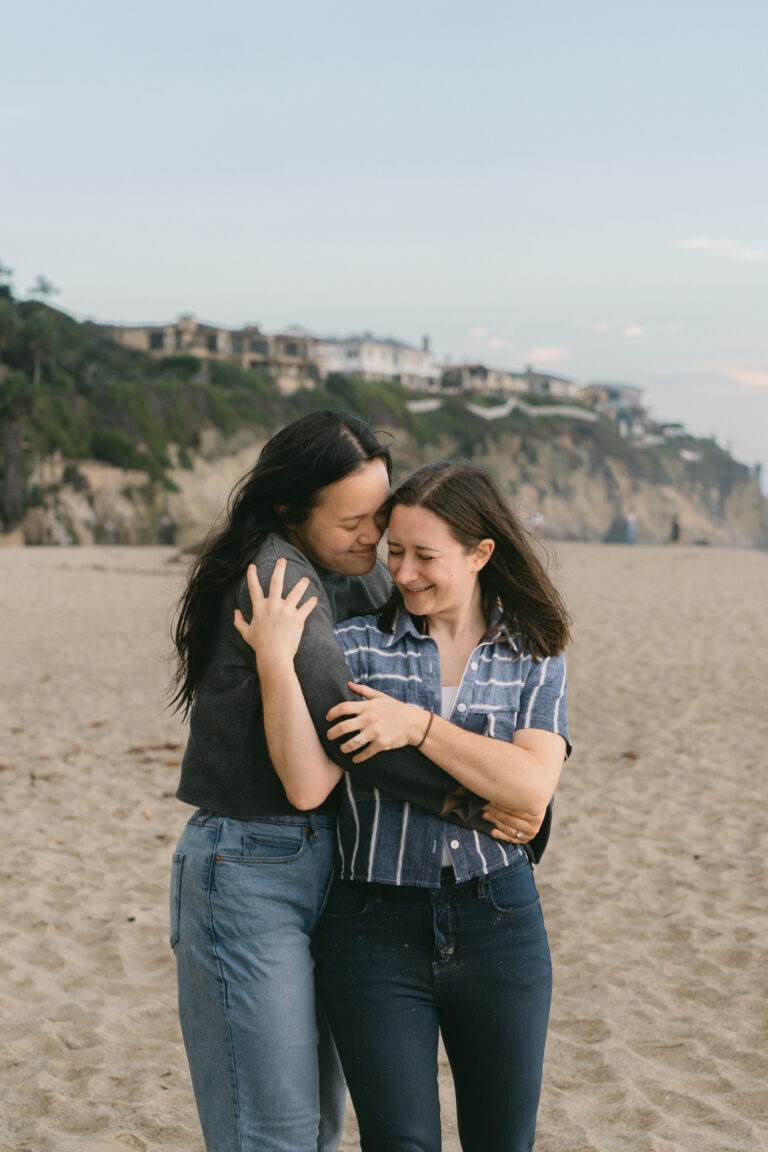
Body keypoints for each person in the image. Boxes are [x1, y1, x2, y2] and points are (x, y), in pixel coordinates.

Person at [170, 414, 531, 1152]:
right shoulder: (277, 578)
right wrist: (479, 803)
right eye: (355, 523)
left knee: (321, 1127)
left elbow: (420, 645)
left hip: (328, 867)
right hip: (249, 866)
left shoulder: (351, 566)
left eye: (380, 518)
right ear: (289, 509)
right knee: (271, 1132)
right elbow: (355, 730)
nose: (375, 544)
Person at [236, 461, 571, 1152]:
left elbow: (532, 788)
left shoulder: (535, 654)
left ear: (481, 554)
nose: (404, 572)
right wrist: (275, 662)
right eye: (394, 552)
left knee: (503, 1141)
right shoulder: (354, 648)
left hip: (500, 923)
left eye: (425, 555)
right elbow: (306, 782)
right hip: (371, 930)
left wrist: (418, 727)